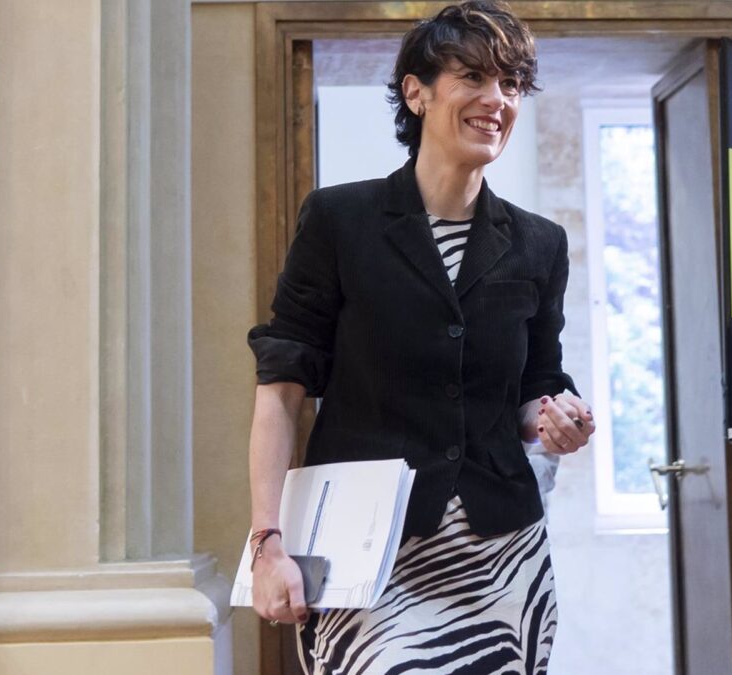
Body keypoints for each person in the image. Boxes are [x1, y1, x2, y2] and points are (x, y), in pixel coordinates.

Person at [246, 2, 594, 672]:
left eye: (512, 84)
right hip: (367, 551)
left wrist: (557, 416)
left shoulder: (539, 243)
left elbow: (536, 385)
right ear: (417, 92)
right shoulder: (339, 220)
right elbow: (282, 390)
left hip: (501, 554)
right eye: (474, 77)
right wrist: (267, 541)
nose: (497, 100)